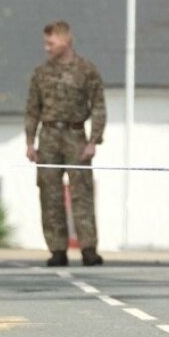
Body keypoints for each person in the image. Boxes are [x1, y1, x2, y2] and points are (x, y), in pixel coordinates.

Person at [25, 21, 107, 267]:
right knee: (49, 193)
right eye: (45, 42)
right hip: (49, 136)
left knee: (82, 192)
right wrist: (30, 141)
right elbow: (32, 109)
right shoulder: (41, 73)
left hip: (75, 136)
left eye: (50, 42)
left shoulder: (86, 70)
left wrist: (94, 140)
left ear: (66, 41)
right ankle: (57, 249)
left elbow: (99, 107)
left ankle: (88, 248)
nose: (46, 47)